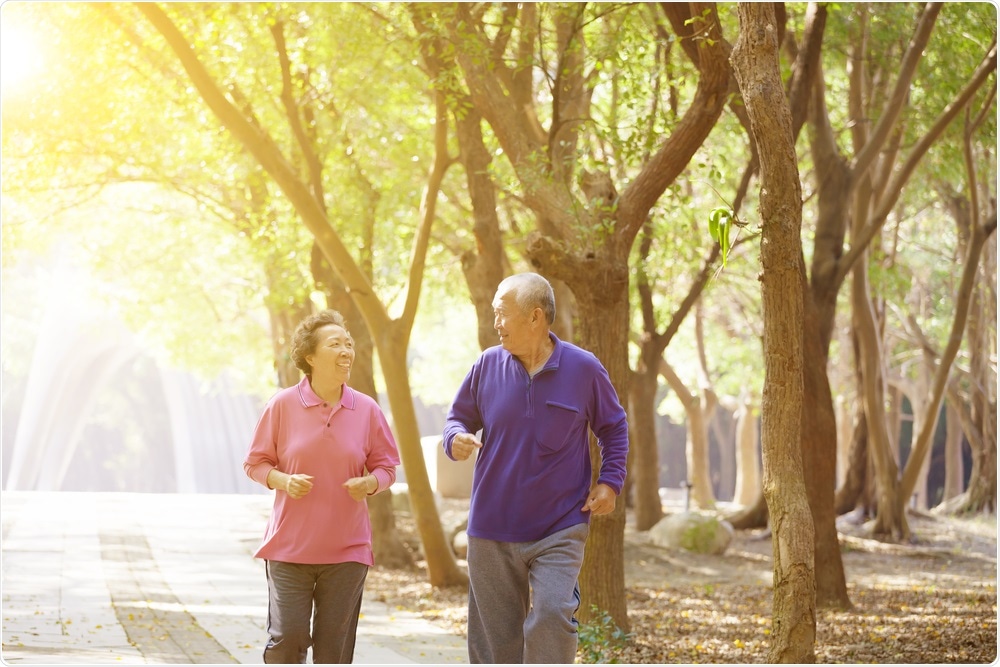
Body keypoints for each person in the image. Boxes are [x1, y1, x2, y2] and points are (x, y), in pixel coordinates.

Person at [442, 272, 629, 664]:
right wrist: (454, 438)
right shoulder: (486, 365)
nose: (496, 323)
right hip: (492, 526)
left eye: (502, 313)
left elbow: (613, 428)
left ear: (535, 318)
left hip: (560, 524)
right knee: (495, 644)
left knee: (551, 614)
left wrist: (610, 482)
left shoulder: (584, 369)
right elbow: (457, 417)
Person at [244, 309, 400, 664]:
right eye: (335, 344)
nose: (346, 350)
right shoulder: (282, 405)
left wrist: (371, 482)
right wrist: (282, 480)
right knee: (287, 640)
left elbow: (387, 467)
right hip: (289, 549)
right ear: (310, 357)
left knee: (335, 652)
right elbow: (254, 463)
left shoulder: (367, 410)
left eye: (348, 343)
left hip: (347, 551)